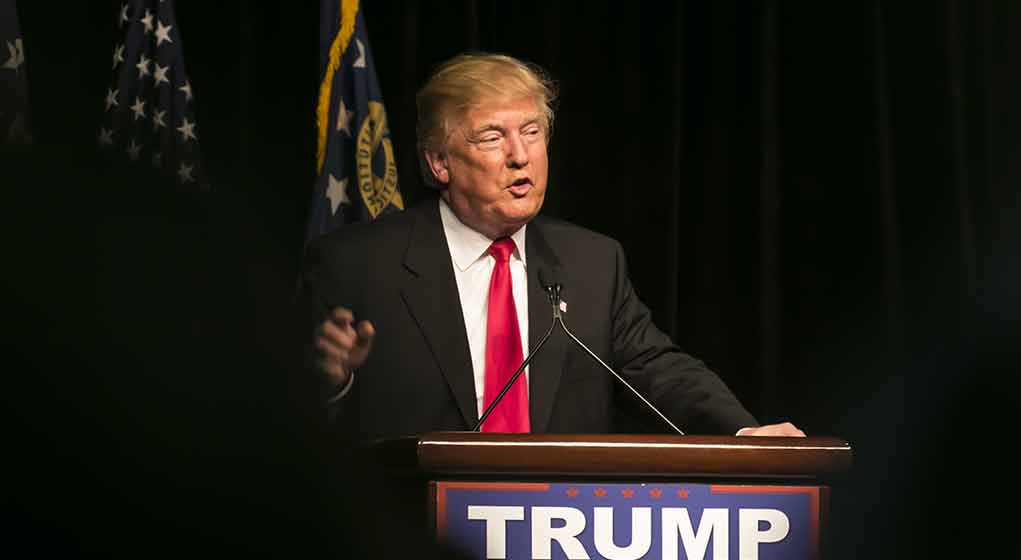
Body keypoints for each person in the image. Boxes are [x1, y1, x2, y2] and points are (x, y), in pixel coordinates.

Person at [300, 52, 803, 442]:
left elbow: (658, 370)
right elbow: (290, 417)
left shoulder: (591, 263)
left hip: (556, 543)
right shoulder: (358, 265)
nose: (520, 156)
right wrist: (332, 383)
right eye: (492, 137)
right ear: (439, 163)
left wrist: (743, 432)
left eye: (532, 132)